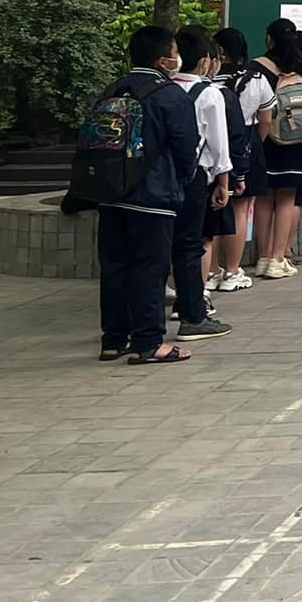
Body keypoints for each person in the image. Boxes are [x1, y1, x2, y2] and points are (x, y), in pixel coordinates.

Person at [92, 26, 200, 363]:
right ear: (163, 59)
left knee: (115, 266)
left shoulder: (113, 90)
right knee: (149, 268)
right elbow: (186, 146)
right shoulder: (169, 94)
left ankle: (113, 339)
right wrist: (182, 182)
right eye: (173, 50)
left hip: (111, 193)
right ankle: (149, 343)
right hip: (152, 196)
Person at [169, 25, 233, 342]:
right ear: (206, 62)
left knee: (163, 246)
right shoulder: (209, 93)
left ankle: (165, 307)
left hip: (159, 178)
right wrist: (224, 183)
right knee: (190, 245)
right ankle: (192, 313)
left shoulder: (162, 88)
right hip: (195, 177)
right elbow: (219, 145)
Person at [256, 30, 302, 280]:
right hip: (297, 142)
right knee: (286, 199)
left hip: (268, 140)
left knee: (264, 198)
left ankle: (262, 257)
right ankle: (278, 258)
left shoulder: (260, 70)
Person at [211, 27, 267, 292]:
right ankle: (232, 271)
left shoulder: (208, 81)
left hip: (211, 149)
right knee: (240, 209)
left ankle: (210, 271)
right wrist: (253, 145)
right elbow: (266, 119)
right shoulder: (256, 78)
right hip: (247, 143)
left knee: (210, 211)